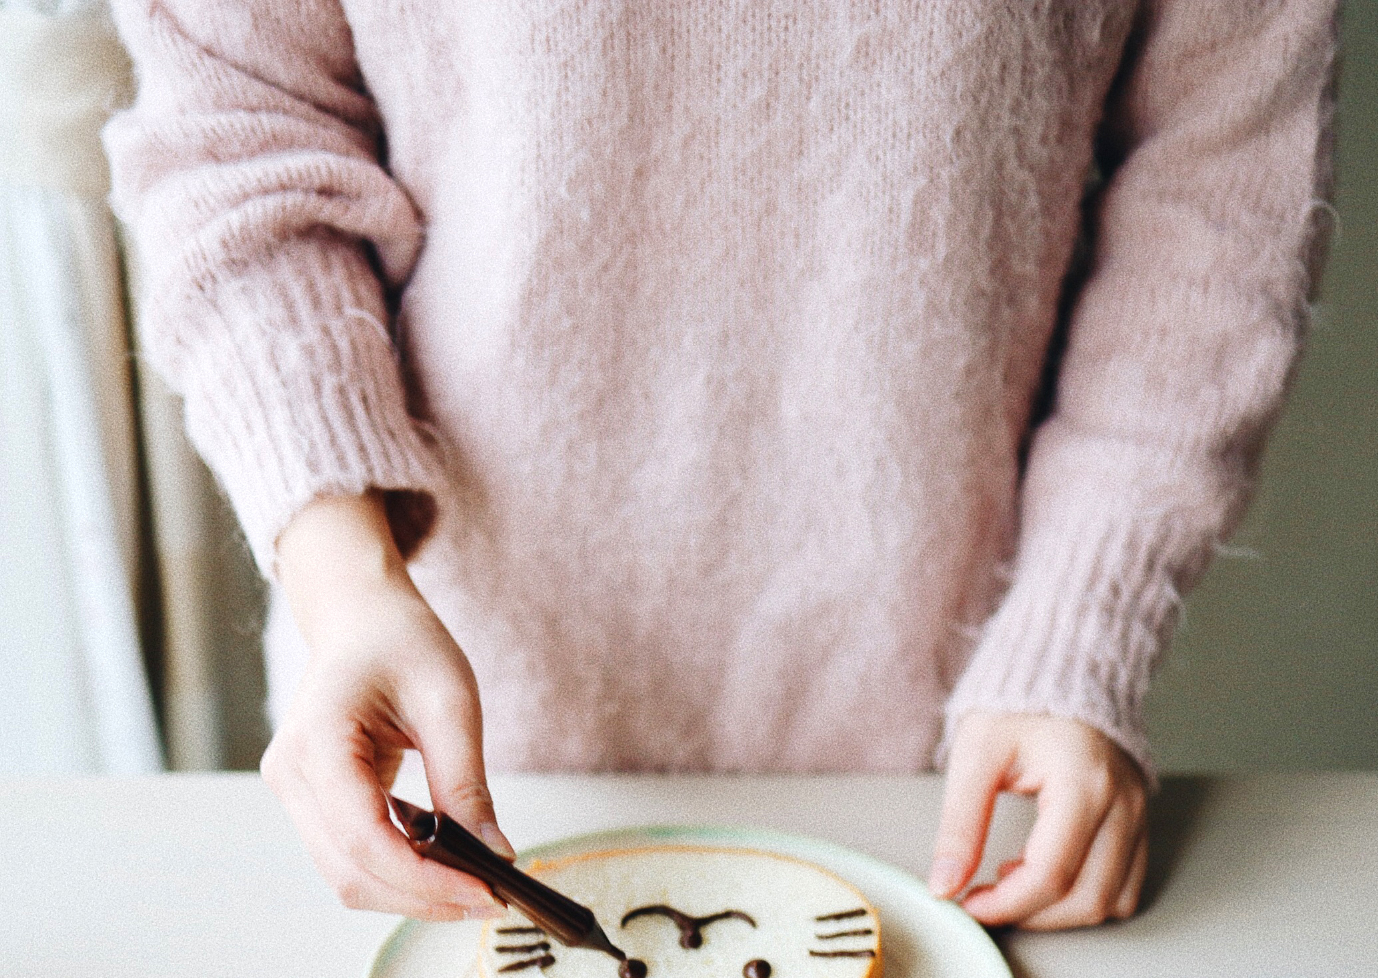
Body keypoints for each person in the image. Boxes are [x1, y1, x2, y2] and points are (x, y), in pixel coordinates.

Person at [104, 0, 1336, 929]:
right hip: (422, 717)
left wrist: (1082, 622)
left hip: (954, 751)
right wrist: (345, 583)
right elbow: (235, 133)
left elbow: (1218, 189)